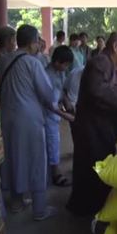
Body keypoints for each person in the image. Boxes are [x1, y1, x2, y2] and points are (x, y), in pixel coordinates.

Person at [0, 24, 73, 221]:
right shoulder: (33, 63)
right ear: (32, 43)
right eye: (37, 41)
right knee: (36, 161)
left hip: (6, 117)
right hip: (29, 120)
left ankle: (16, 202)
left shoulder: (4, 59)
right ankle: (39, 210)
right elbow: (48, 95)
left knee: (13, 157)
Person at [66, 32, 117, 220]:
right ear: (116, 48)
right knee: (92, 167)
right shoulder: (100, 63)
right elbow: (99, 92)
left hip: (98, 125)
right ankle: (88, 209)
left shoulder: (108, 63)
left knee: (93, 166)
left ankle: (91, 206)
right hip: (91, 127)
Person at [44, 45, 73, 187]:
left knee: (55, 144)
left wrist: (67, 101)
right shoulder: (46, 75)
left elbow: (61, 91)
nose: (67, 68)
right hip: (47, 116)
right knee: (52, 145)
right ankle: (55, 174)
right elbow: (50, 105)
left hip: (55, 115)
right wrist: (68, 117)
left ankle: (53, 172)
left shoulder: (60, 73)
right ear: (57, 62)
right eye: (66, 64)